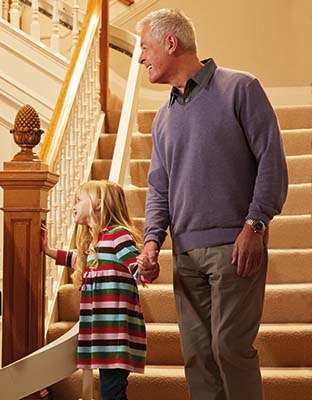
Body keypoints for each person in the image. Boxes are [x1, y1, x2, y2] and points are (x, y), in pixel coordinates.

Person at [135, 9, 288, 400]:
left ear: (171, 43)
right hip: (186, 254)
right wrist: (152, 242)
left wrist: (255, 226)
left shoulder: (241, 88)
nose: (140, 58)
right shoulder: (163, 117)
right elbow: (158, 186)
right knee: (198, 356)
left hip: (234, 248)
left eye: (145, 47)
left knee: (230, 349)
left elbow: (271, 162)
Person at [41, 180, 147, 400]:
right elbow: (77, 259)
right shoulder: (94, 241)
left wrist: (146, 269)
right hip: (102, 333)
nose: (73, 205)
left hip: (116, 333)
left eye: (79, 200)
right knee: (110, 390)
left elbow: (136, 267)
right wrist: (48, 250)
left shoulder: (117, 235)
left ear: (98, 204)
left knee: (112, 392)